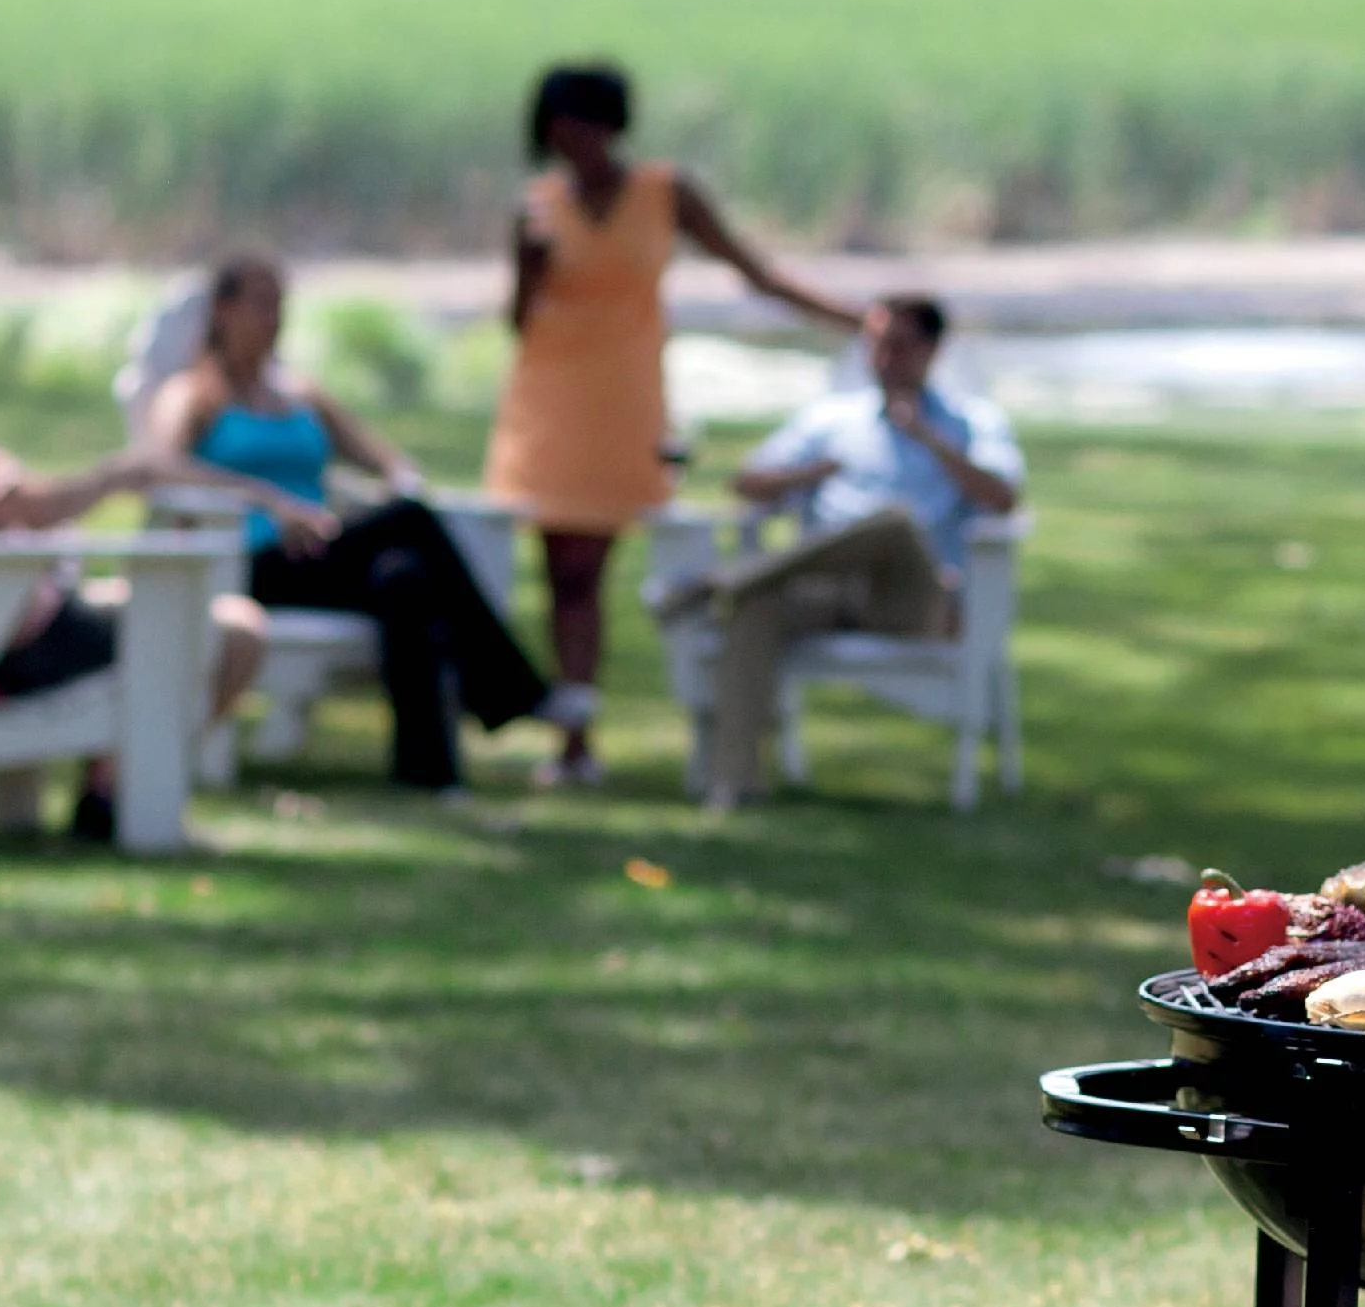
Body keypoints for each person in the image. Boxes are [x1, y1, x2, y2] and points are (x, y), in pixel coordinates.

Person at [487, 61, 859, 788]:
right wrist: (528, 271)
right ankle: (573, 737)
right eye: (562, 128)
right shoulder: (535, 207)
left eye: (587, 124)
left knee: (599, 563)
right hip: (548, 401)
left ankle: (677, 728)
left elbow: (754, 271)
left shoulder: (665, 193)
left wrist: (852, 319)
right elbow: (516, 320)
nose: (576, 142)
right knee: (561, 570)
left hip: (625, 398)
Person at [0, 254, 273, 842]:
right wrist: (118, 475)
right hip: (15, 644)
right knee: (236, 629)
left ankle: (108, 789)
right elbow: (23, 504)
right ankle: (116, 791)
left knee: (168, 619)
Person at [142, 253, 549, 789]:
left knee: (405, 576)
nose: (275, 317)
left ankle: (428, 775)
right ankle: (512, 691)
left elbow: (387, 463)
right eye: (261, 303)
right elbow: (158, 468)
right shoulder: (193, 395)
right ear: (222, 310)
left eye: (281, 305)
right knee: (409, 522)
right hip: (249, 565)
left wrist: (399, 479)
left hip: (322, 558)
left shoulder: (301, 394)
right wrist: (267, 501)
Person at [661, 293, 1022, 809]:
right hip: (826, 589)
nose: (882, 358)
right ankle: (735, 781)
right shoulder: (833, 420)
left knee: (894, 524)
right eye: (874, 344)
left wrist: (927, 438)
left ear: (933, 349)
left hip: (918, 596)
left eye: (897, 345)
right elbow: (746, 482)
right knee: (756, 607)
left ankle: (717, 582)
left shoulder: (971, 422)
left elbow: (1004, 498)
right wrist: (812, 472)